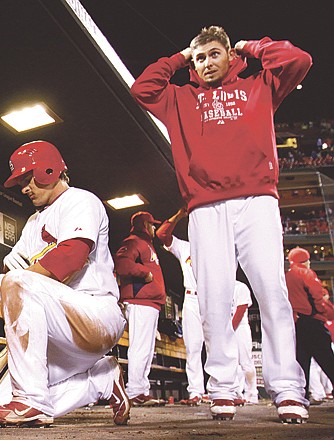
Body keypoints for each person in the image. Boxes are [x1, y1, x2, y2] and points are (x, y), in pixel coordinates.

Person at [131, 25, 312, 422]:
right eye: (200, 58)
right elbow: (141, 89)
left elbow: (298, 60)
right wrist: (178, 58)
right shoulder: (180, 97)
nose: (207, 63)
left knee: (272, 294)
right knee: (212, 299)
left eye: (215, 54)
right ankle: (223, 389)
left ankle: (287, 390)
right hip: (206, 206)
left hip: (257, 201)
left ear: (230, 56)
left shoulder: (259, 85)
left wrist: (251, 45)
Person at [0, 140, 129, 427]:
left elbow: (71, 258)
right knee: (1, 402)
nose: (23, 188)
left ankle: (33, 401)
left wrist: (13, 280)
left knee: (19, 281)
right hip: (59, 333)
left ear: (48, 170)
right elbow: (14, 267)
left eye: (26, 178)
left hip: (95, 315)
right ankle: (102, 381)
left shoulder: (81, 201)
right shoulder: (33, 222)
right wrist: (3, 277)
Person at [114, 211, 166, 406]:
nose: (154, 228)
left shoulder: (146, 244)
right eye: (152, 225)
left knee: (146, 348)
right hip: (140, 301)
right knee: (140, 347)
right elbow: (121, 263)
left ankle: (141, 390)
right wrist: (144, 273)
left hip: (149, 302)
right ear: (145, 225)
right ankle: (135, 390)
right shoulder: (133, 240)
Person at [155, 207, 206, 406]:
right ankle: (196, 392)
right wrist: (178, 215)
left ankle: (225, 390)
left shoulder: (218, 246)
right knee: (193, 347)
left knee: (217, 345)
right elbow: (162, 234)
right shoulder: (185, 247)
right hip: (192, 299)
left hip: (213, 298)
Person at [285, 247, 334, 402]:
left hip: (297, 323)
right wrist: (320, 312)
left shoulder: (286, 276)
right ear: (304, 260)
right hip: (312, 321)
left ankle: (302, 397)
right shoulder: (306, 273)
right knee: (328, 360)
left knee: (302, 363)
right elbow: (317, 297)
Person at [231, 281, 259, 405]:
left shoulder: (240, 287)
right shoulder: (221, 286)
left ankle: (252, 394)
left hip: (240, 327)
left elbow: (241, 309)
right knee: (232, 362)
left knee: (245, 361)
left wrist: (230, 328)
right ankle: (237, 393)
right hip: (227, 328)